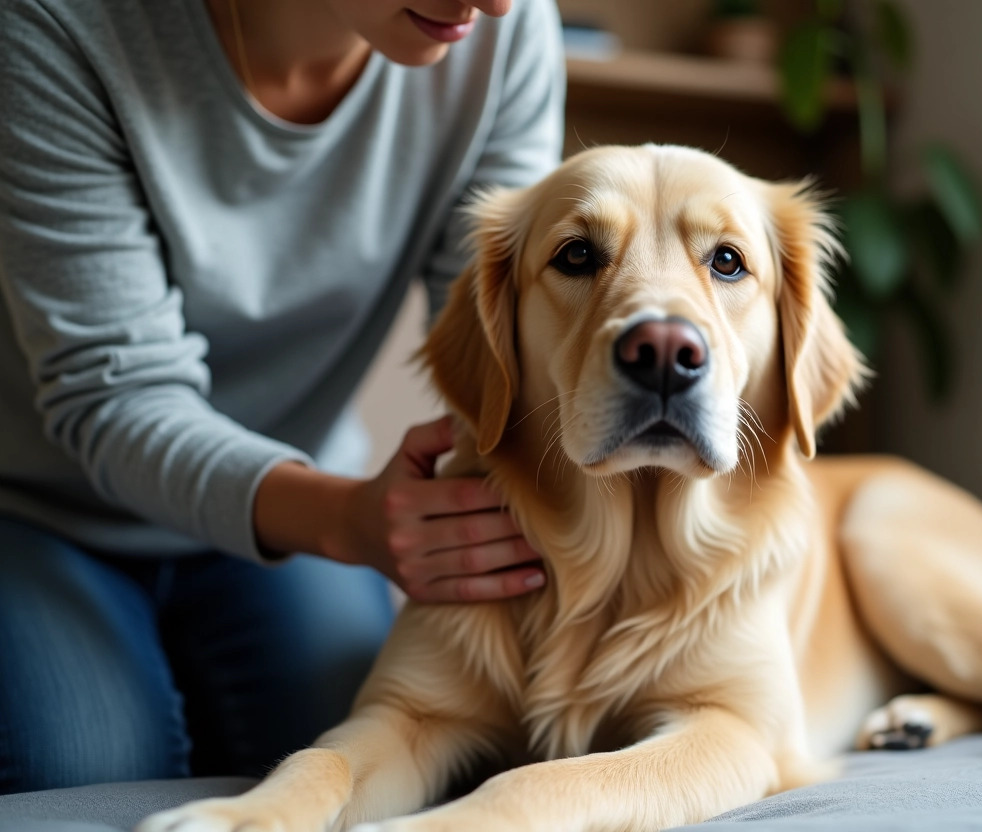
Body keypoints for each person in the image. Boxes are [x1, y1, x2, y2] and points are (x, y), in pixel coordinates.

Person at [0, 0, 564, 795]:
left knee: (373, 759)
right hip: (39, 509)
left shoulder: (505, 31)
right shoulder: (56, 22)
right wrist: (351, 520)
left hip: (301, 503)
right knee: (85, 772)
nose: (499, 3)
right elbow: (115, 396)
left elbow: (498, 345)